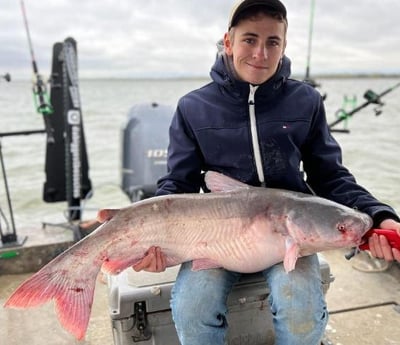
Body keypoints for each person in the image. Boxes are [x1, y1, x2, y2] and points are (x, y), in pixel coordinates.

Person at [99, 0, 400, 343]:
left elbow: (330, 176)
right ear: (228, 42)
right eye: (249, 39)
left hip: (290, 235)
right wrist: (153, 241)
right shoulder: (193, 107)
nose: (260, 52)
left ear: (284, 46)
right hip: (218, 236)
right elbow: (178, 183)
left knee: (300, 304)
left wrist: (377, 215)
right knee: (191, 307)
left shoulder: (306, 101)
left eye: (273, 41)